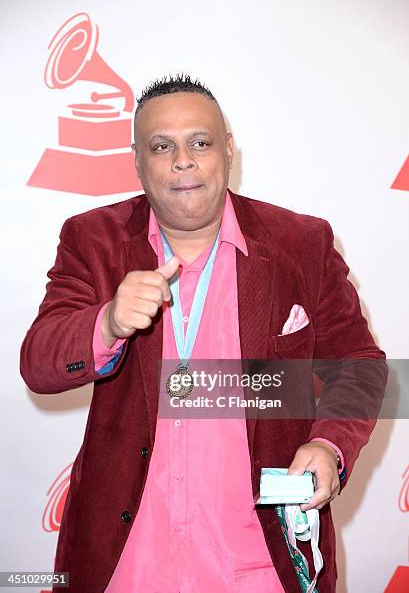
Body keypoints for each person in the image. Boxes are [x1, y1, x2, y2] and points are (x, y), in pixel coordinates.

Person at [20, 74, 387, 593]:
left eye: (200, 142)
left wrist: (329, 445)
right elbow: (37, 363)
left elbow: (359, 361)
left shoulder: (302, 243)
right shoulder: (91, 239)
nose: (183, 160)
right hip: (124, 564)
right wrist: (107, 322)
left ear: (228, 149)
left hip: (262, 564)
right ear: (137, 160)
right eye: (161, 146)